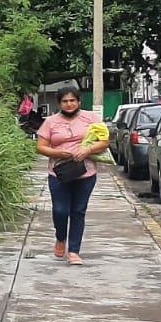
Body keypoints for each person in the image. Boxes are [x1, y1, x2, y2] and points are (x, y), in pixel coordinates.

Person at [35, 89, 106, 264]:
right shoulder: (50, 122)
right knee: (60, 210)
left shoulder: (91, 118)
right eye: (65, 101)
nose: (69, 104)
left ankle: (74, 251)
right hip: (59, 173)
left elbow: (104, 142)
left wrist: (87, 150)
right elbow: (41, 147)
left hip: (86, 172)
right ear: (60, 103)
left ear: (79, 101)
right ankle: (60, 237)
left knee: (78, 211)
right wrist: (58, 153)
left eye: (72, 100)